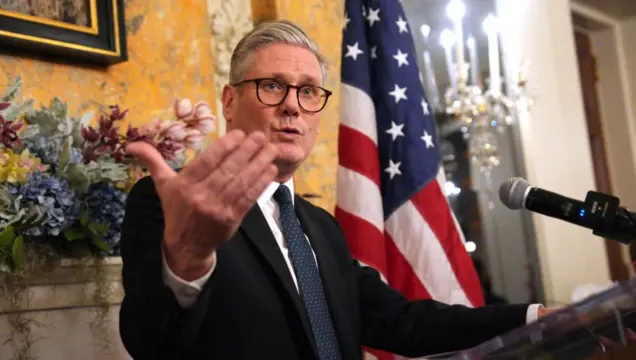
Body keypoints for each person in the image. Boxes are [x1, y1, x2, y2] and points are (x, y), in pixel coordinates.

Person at [118, 20, 549, 360]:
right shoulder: (169, 205)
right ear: (229, 101)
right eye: (272, 86)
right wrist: (187, 262)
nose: (292, 105)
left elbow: (400, 321)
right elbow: (150, 344)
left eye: (308, 91)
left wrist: (534, 318)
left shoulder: (322, 227)